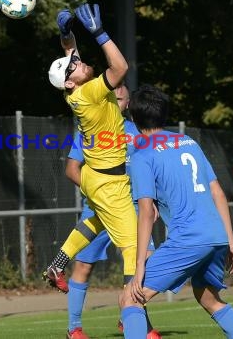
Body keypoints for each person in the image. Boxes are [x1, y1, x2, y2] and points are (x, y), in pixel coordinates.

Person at [120, 85, 233, 339]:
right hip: (216, 236)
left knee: (130, 299)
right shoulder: (188, 142)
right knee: (209, 298)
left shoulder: (142, 154)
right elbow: (218, 193)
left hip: (188, 240)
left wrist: (138, 268)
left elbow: (145, 211)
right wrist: (230, 240)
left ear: (133, 119)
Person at [44, 3, 137, 300]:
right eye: (74, 67)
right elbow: (121, 69)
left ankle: (57, 266)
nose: (79, 63)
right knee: (134, 247)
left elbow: (71, 54)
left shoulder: (75, 89)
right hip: (109, 182)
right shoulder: (91, 91)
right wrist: (99, 33)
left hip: (95, 177)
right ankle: (134, 314)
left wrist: (66, 32)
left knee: (95, 221)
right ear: (71, 82)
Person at [65, 84, 160, 339]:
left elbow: (149, 171)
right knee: (83, 267)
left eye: (120, 99)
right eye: (111, 98)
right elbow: (72, 169)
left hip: (132, 210)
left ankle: (134, 319)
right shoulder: (90, 129)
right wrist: (97, 193)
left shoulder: (137, 134)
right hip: (99, 209)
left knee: (142, 263)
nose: (115, 102)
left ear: (128, 103)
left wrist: (153, 203)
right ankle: (73, 329)